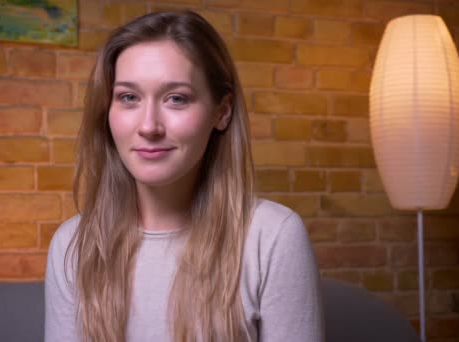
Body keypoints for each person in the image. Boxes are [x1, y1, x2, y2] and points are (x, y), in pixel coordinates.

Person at [45, 10, 324, 342]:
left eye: (176, 98)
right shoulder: (72, 244)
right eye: (129, 97)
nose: (149, 126)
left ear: (222, 112)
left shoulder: (273, 237)